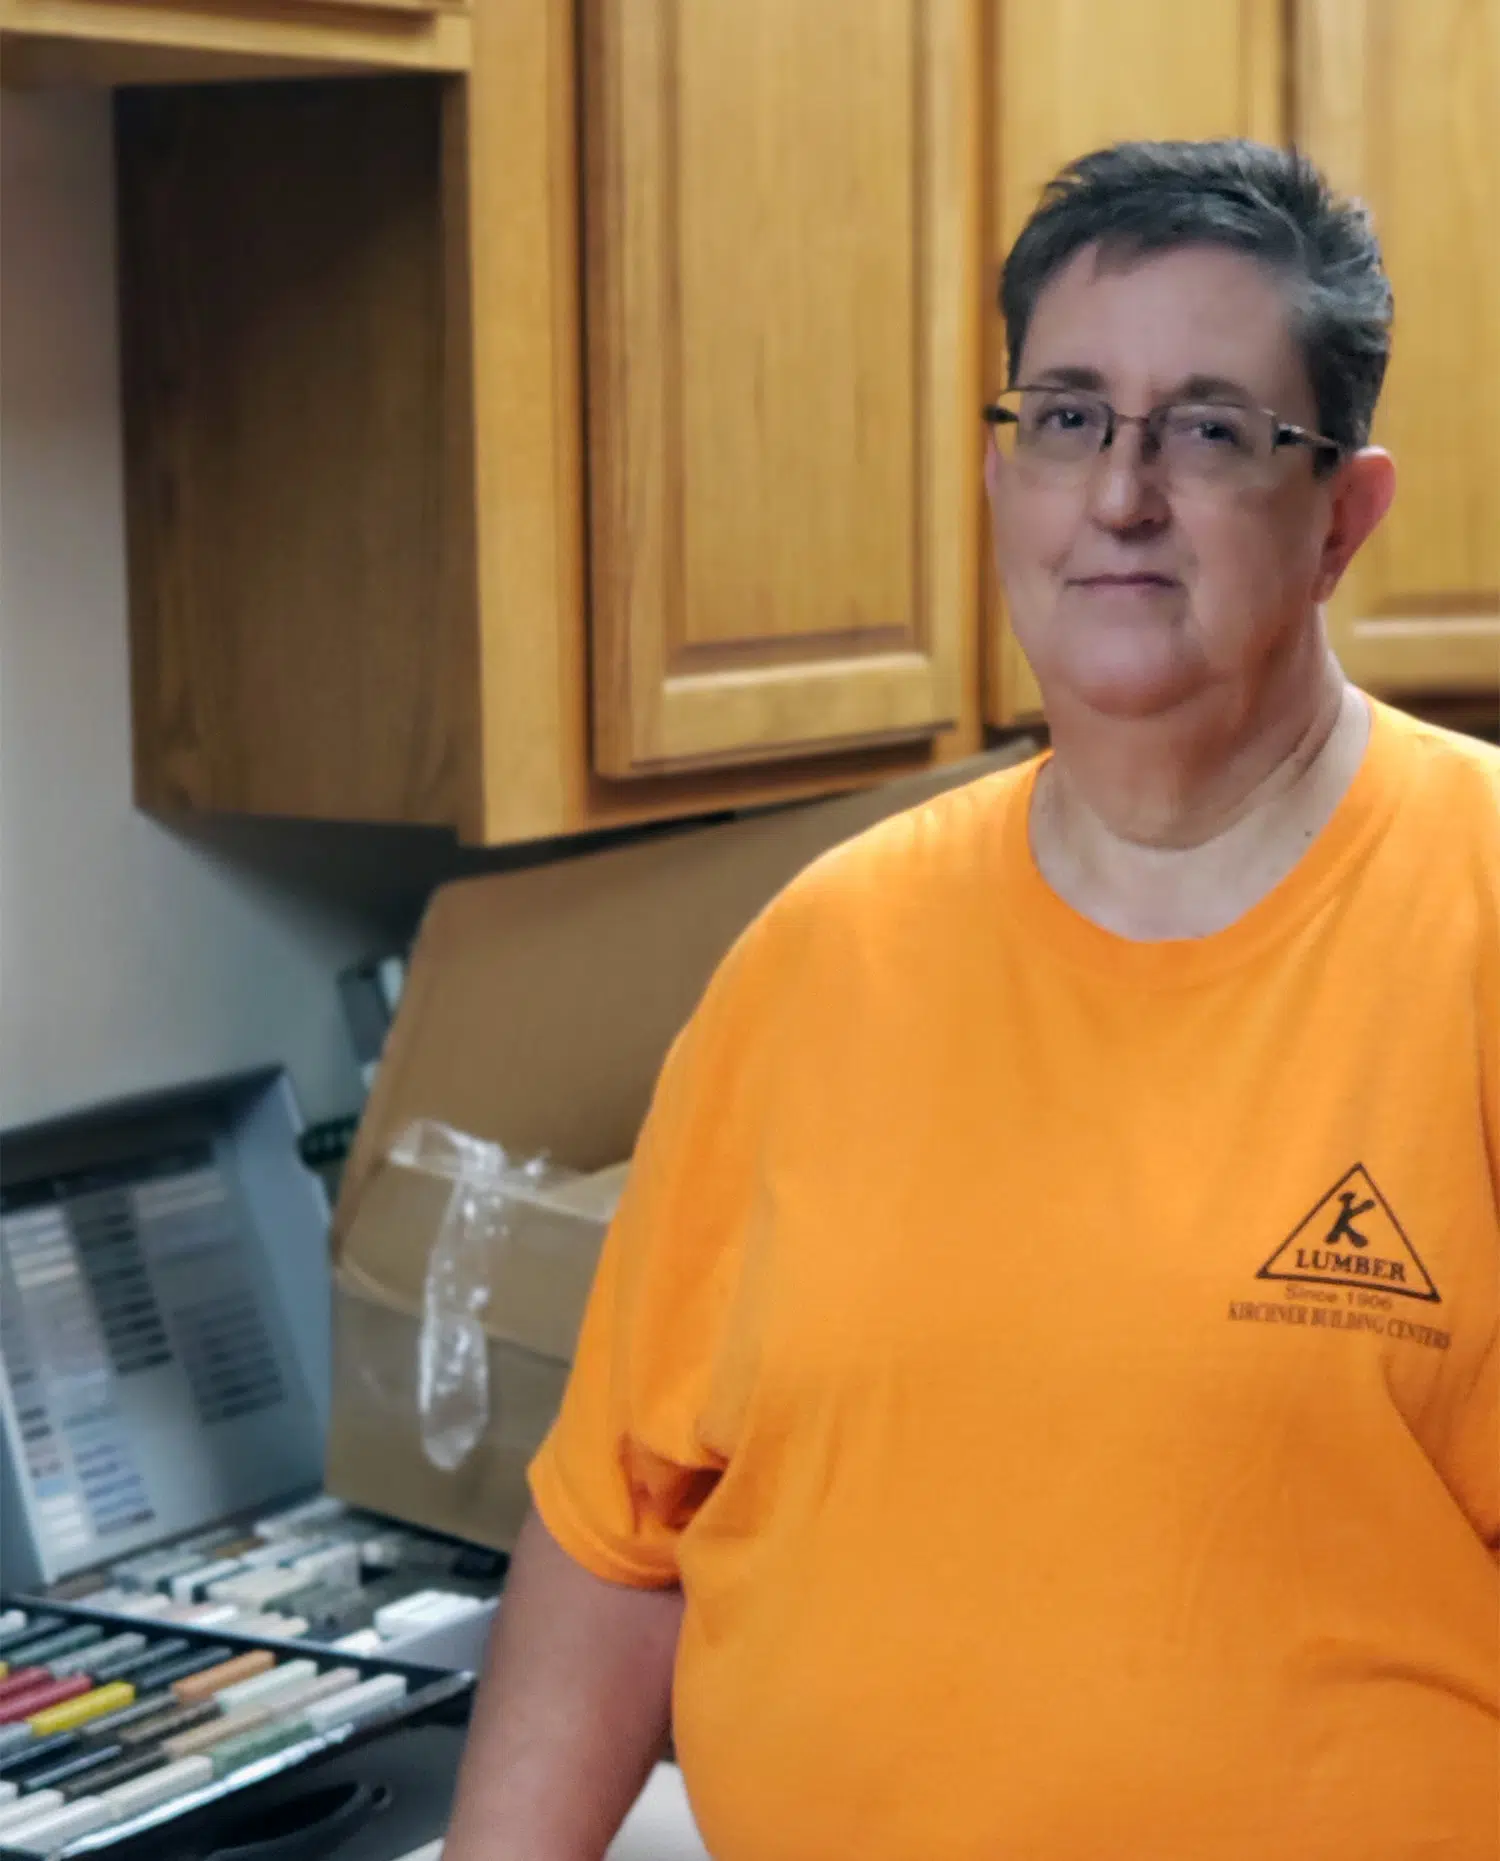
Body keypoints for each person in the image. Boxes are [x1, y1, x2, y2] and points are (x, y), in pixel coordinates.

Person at [442, 140, 1499, 1860]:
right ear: (1007, 473)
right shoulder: (821, 957)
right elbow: (620, 1534)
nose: (1121, 495)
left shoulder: (1477, 920)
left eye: (1209, 431)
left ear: (1343, 518)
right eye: (1069, 418)